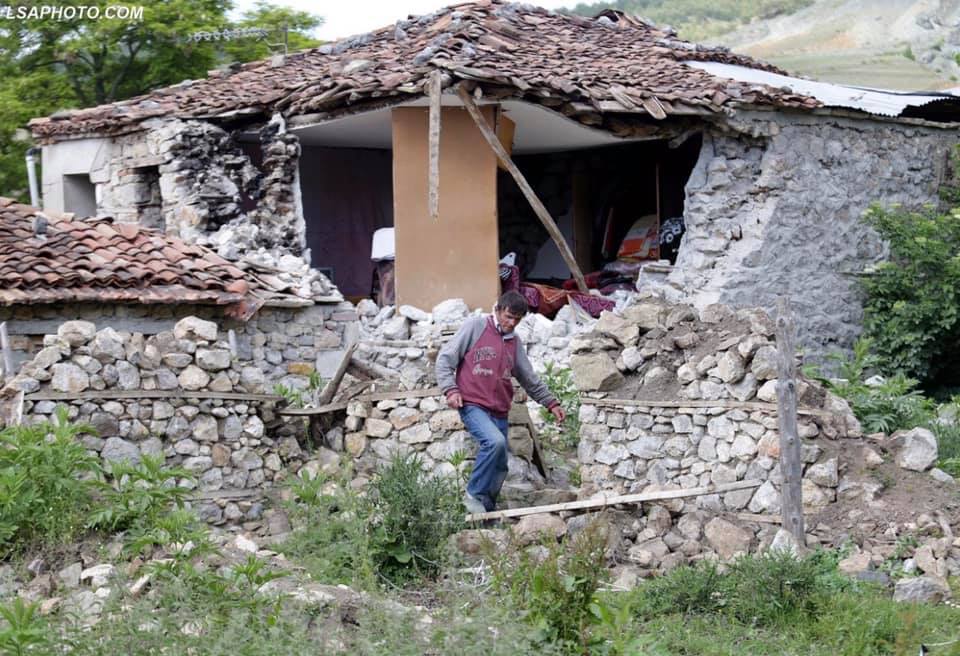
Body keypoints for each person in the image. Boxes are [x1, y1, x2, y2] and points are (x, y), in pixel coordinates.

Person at [436, 291, 566, 514]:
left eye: (517, 319)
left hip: (499, 410)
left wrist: (551, 403)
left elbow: (528, 378)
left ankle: (486, 511)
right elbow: (445, 359)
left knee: (499, 465)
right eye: (508, 316)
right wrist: (450, 389)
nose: (511, 322)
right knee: (494, 443)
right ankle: (472, 497)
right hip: (472, 403)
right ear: (498, 310)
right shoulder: (475, 327)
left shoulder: (514, 342)